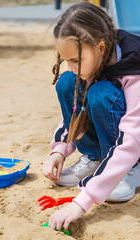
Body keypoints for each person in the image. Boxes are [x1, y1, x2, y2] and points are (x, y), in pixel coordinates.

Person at [43, 2, 140, 232]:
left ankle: (129, 172)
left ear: (101, 47)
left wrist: (83, 200)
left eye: (76, 60)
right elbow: (77, 111)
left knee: (100, 93)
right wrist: (60, 149)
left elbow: (132, 138)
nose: (71, 66)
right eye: (66, 59)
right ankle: (96, 158)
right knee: (68, 82)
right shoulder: (92, 59)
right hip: (115, 141)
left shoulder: (134, 67)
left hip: (134, 146)